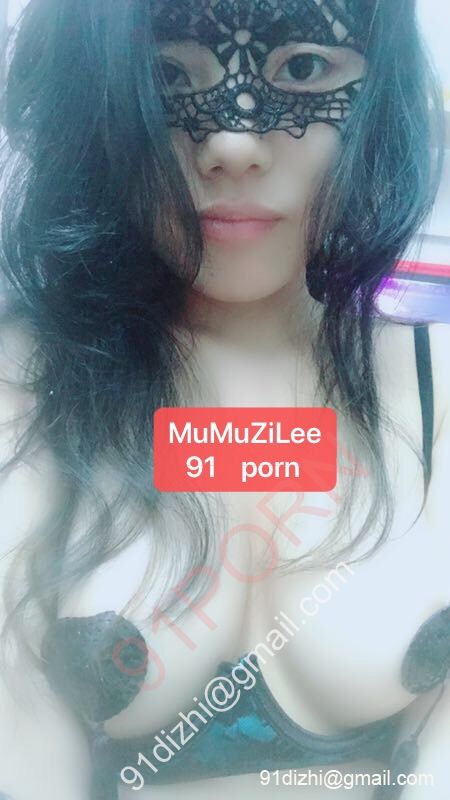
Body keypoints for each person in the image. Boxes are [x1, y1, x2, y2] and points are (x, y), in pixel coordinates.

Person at [0, 1, 449, 798]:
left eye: (302, 69)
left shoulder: (437, 377)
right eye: (166, 78)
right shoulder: (25, 385)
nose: (234, 145)